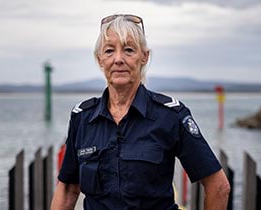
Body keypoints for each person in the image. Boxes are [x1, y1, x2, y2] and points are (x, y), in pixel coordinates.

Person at [50, 14, 230, 210]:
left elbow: (218, 186)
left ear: (144, 57)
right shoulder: (82, 118)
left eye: (129, 50)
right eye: (109, 51)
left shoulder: (170, 116)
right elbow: (68, 189)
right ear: (99, 59)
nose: (118, 59)